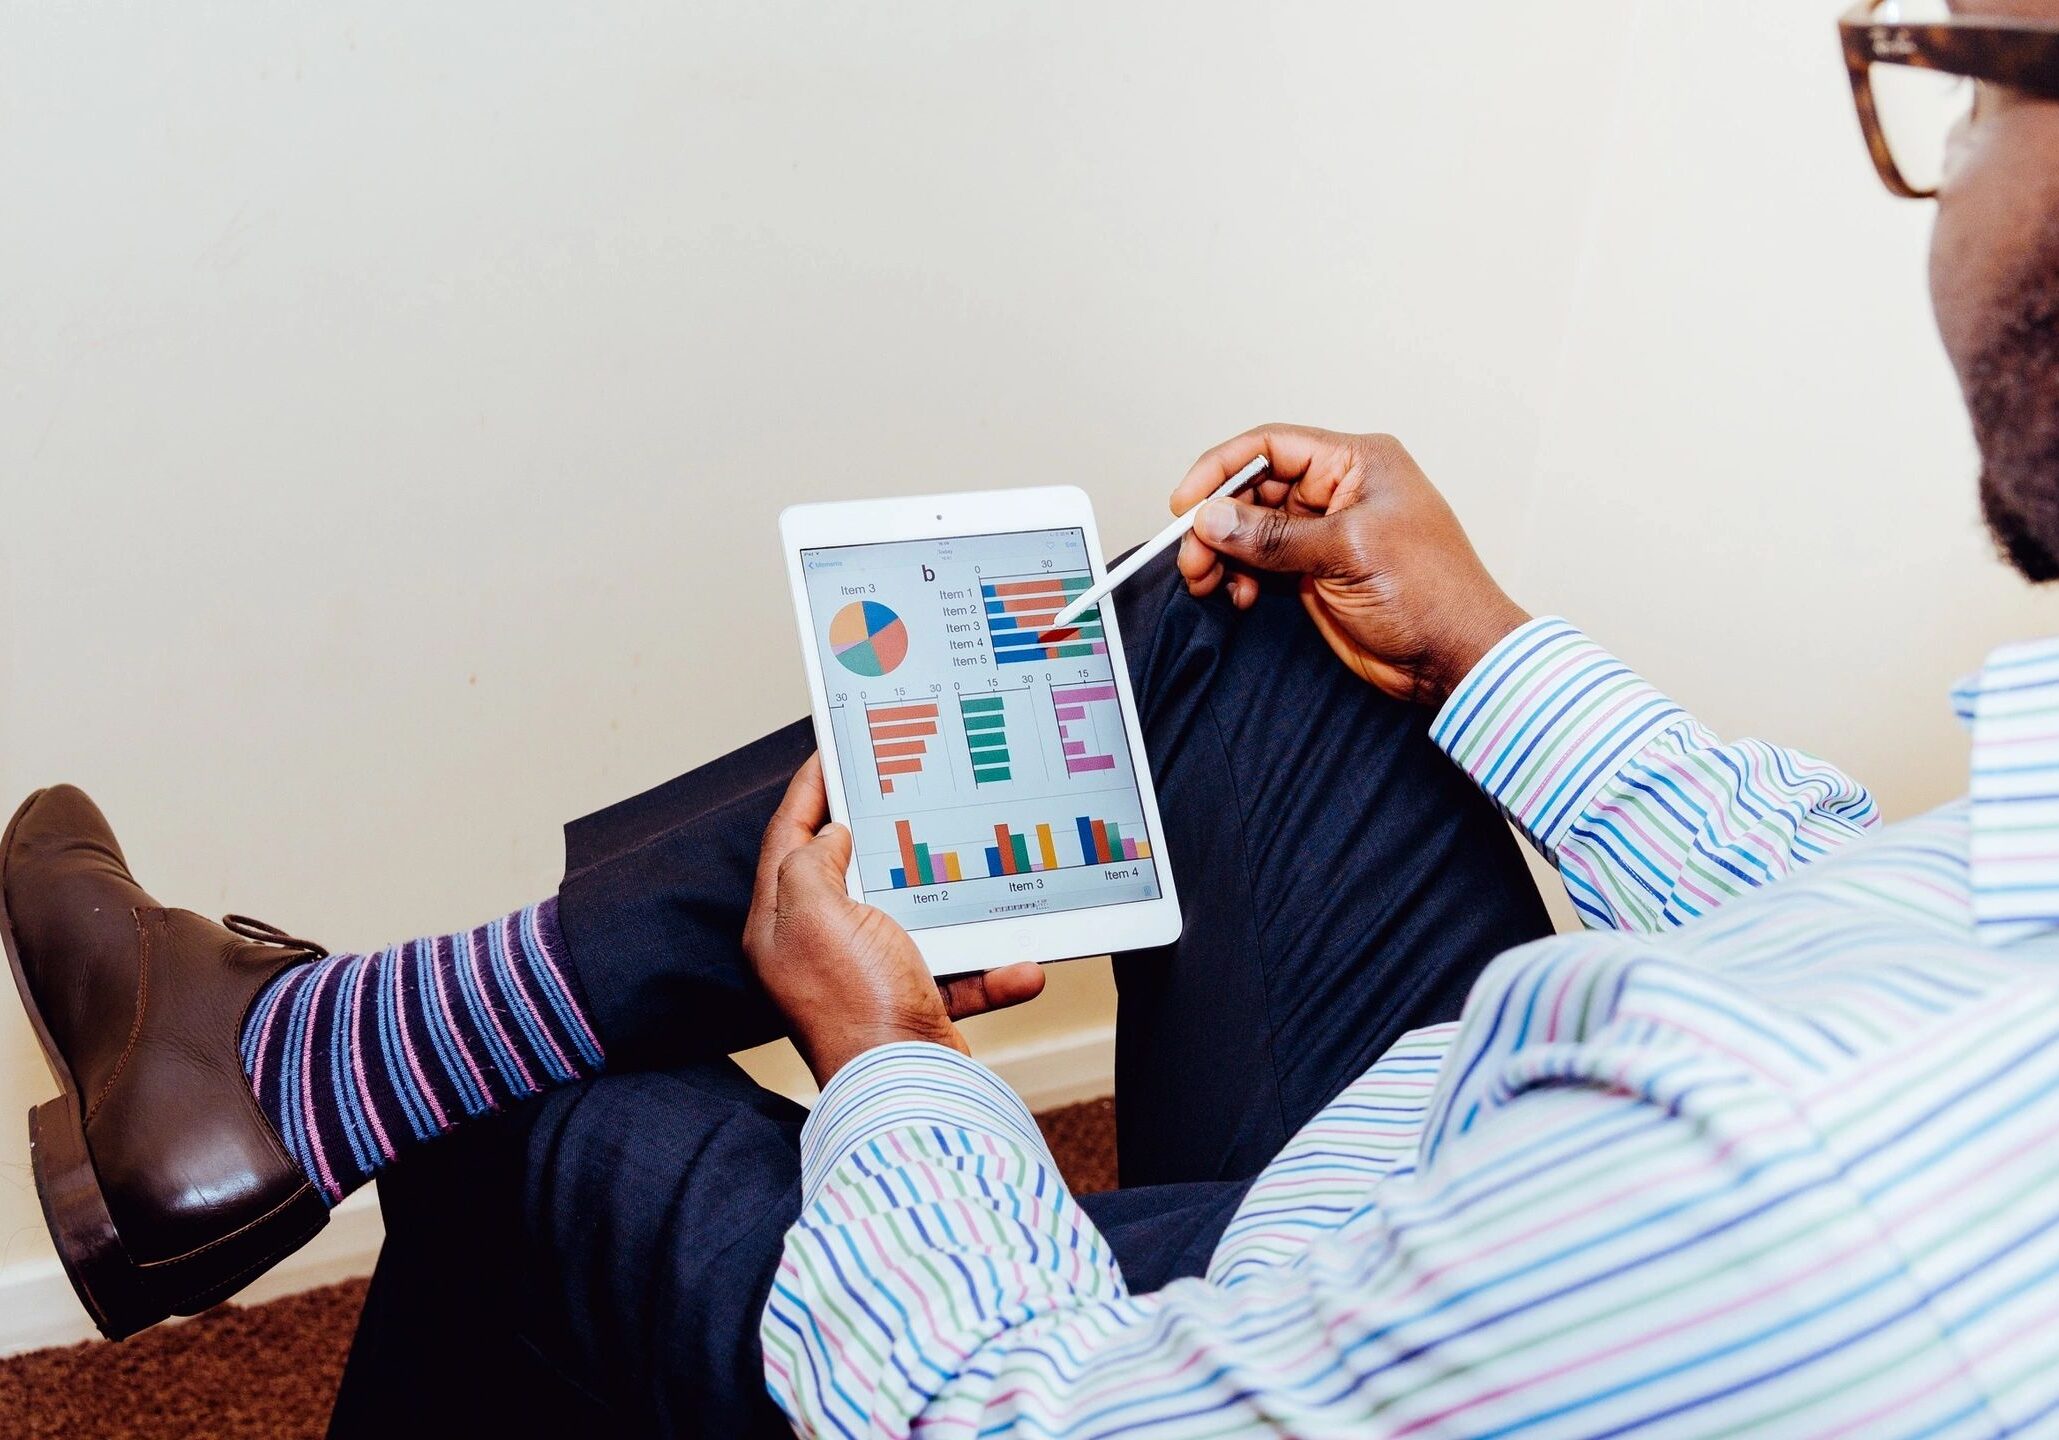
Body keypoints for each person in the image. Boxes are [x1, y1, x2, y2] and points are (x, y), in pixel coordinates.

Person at [5, 1, 2058, 1433]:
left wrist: (893, 1063)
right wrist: (1490, 647)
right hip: (1462, 1178)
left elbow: (1014, 1415)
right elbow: (1878, 911)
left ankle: (327, 1068)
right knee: (1226, 616)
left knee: (558, 1127)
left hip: (1261, 1334)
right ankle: (275, 1068)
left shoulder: (1817, 1173)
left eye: (1965, 79)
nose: (1947, 174)